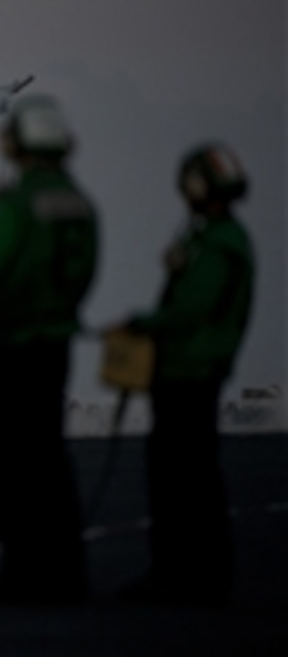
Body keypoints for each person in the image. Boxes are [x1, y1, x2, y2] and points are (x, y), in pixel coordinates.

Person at [0, 93, 99, 603]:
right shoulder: (79, 203)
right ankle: (64, 569)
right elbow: (84, 274)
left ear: (17, 143)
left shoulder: (15, 204)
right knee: (48, 456)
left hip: (9, 345)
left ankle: (24, 567)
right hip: (55, 343)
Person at [113, 143, 254, 607]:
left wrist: (143, 322)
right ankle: (202, 573)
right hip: (193, 370)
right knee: (195, 477)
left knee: (179, 479)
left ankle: (180, 574)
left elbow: (190, 309)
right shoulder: (218, 237)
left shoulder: (216, 242)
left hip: (188, 371)